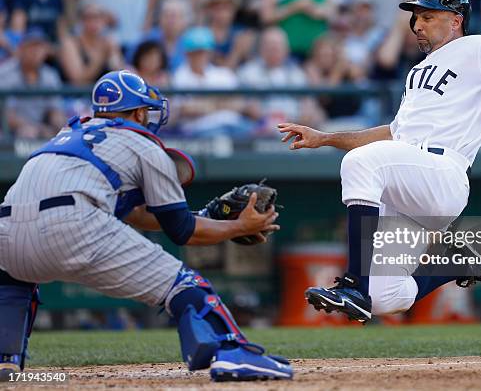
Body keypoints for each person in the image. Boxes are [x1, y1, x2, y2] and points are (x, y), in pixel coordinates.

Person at [278, 0, 481, 323]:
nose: (417, 24)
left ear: (455, 20)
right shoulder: (416, 72)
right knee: (385, 299)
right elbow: (394, 133)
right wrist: (325, 138)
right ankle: (456, 265)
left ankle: (352, 284)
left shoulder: (479, 48)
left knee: (360, 164)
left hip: (442, 172)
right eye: (415, 17)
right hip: (408, 177)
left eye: (427, 15)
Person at [0, 69, 292, 381]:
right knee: (187, 285)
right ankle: (232, 352)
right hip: (76, 221)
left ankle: (6, 362)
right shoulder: (142, 143)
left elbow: (134, 213)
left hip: (7, 227)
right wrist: (239, 226)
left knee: (11, 279)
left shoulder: (65, 134)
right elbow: (182, 232)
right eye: (145, 110)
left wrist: (204, 217)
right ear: (139, 111)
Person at [238, 27, 325, 133]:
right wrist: (271, 120)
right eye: (270, 45)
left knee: (319, 118)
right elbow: (247, 105)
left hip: (294, 124)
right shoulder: (248, 71)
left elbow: (307, 102)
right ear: (261, 48)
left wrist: (303, 117)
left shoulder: (297, 72)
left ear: (286, 49)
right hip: (260, 127)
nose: (274, 49)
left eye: (278, 45)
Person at [0, 28, 64, 139]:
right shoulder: (5, 72)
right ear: (21, 49)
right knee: (28, 133)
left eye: (40, 47)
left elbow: (54, 110)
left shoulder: (50, 75)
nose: (36, 52)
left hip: (39, 128)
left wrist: (61, 126)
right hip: (8, 131)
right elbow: (6, 114)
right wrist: (34, 128)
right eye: (31, 46)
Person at [59, 0, 124, 85]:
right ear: (80, 20)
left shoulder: (109, 41)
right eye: (89, 17)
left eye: (98, 16)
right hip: (77, 97)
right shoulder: (71, 43)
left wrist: (113, 54)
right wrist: (101, 56)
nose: (94, 22)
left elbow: (118, 74)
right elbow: (78, 80)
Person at [198, 0, 256, 70]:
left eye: (227, 6)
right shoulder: (200, 36)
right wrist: (237, 52)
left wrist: (246, 54)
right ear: (208, 10)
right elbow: (220, 72)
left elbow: (253, 68)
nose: (222, 12)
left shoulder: (242, 32)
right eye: (217, 7)